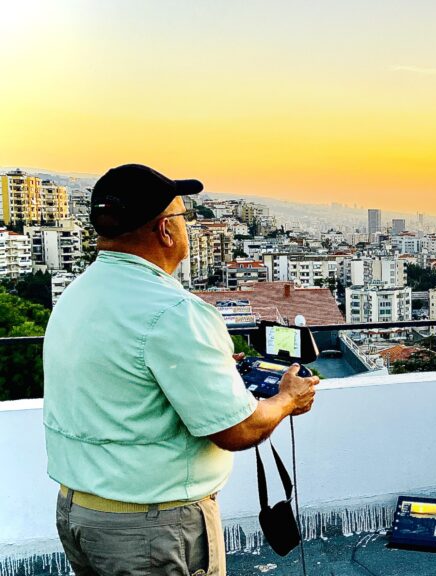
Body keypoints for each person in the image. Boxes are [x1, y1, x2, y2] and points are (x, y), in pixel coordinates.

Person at [43, 164, 319, 576]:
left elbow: (124, 379)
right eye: (183, 216)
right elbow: (237, 429)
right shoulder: (174, 312)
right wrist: (286, 399)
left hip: (81, 515)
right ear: (166, 230)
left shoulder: (77, 293)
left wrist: (205, 370)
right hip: (151, 530)